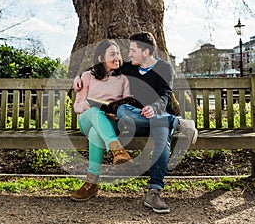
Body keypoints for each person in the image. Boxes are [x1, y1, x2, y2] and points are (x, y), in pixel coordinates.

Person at [73, 32, 198, 213]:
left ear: (145, 52)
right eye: (116, 53)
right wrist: (79, 78)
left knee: (157, 129)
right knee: (111, 111)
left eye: (131, 51)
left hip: (150, 118)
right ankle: (175, 123)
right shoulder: (122, 69)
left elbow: (164, 95)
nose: (126, 55)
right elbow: (91, 83)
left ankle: (153, 192)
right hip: (115, 118)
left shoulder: (156, 68)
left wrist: (154, 109)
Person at [71, 39, 132, 202]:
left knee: (95, 133)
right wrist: (91, 105)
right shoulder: (87, 77)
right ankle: (116, 149)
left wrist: (116, 112)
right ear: (100, 58)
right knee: (95, 113)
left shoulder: (124, 78)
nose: (117, 57)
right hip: (87, 118)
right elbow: (77, 106)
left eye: (118, 54)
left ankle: (92, 183)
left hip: (112, 122)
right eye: (112, 54)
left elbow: (128, 105)